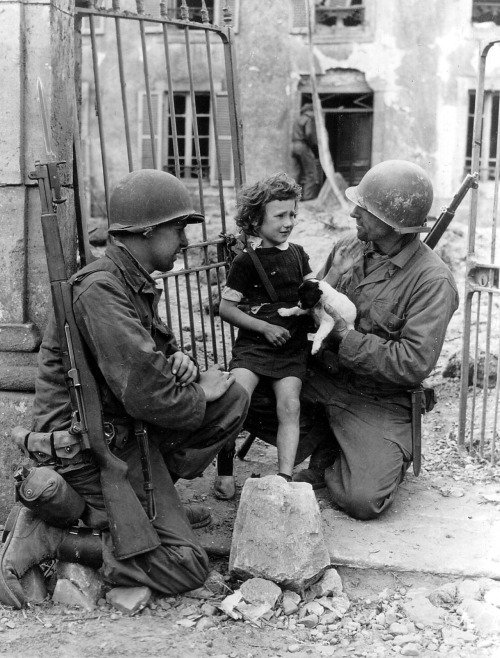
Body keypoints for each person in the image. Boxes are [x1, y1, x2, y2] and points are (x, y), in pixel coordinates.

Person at [0, 169, 249, 609]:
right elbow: (149, 394)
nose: (186, 241)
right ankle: (57, 537)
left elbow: (158, 361)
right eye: (178, 229)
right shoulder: (101, 290)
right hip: (89, 450)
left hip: (126, 431)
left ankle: (141, 504)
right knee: (187, 566)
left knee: (231, 397)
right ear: (146, 231)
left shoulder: (130, 282)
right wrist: (195, 391)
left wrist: (184, 362)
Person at [246, 160, 459, 520]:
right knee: (238, 395)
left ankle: (341, 455)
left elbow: (412, 363)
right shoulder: (351, 247)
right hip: (323, 377)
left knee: (364, 500)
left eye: (365, 209)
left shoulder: (433, 281)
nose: (354, 213)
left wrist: (345, 337)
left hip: (378, 399)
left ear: (393, 224)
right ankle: (328, 441)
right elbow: (314, 299)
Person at [213, 172, 315, 500]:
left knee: (290, 405)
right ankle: (225, 473)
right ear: (257, 220)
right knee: (235, 401)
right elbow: (226, 309)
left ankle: (284, 477)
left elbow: (313, 293)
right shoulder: (246, 262)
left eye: (293, 214)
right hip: (255, 347)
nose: (288, 222)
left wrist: (315, 299)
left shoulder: (299, 254)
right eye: (280, 215)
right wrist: (264, 327)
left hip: (290, 349)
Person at [291, 104, 321, 201]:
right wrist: (313, 146)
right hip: (302, 146)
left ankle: (292, 197)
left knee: (296, 173)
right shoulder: (309, 118)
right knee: (310, 172)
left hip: (293, 146)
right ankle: (308, 197)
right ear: (310, 110)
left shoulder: (297, 119)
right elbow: (309, 134)